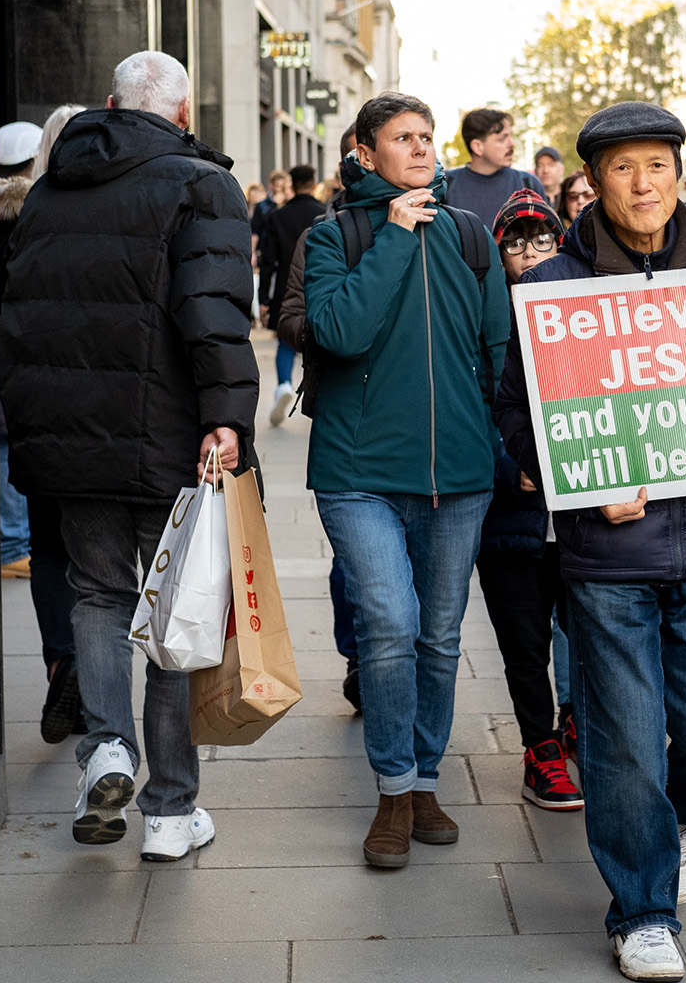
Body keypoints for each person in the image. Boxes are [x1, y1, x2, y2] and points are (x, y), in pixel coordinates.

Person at [495, 102, 686, 982]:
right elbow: (518, 415)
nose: (642, 184)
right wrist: (581, 484)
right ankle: (641, 911)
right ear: (593, 182)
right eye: (621, 168)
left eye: (656, 165)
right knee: (625, 744)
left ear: (679, 173)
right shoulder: (551, 290)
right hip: (606, 563)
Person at [0, 50, 257, 862]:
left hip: (71, 441)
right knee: (173, 618)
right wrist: (226, 417)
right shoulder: (198, 183)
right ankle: (171, 811)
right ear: (182, 113)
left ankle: (106, 749)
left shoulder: (50, 189)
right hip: (165, 437)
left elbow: (26, 315)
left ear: (111, 104)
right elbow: (213, 312)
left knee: (99, 600)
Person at [303, 91, 510, 869]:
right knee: (388, 624)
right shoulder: (338, 236)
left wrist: (502, 445)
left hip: (458, 476)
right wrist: (392, 236)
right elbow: (339, 331)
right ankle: (392, 790)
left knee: (438, 635)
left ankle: (425, 778)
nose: (422, 149)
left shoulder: (468, 234)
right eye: (402, 138)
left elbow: (498, 348)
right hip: (357, 474)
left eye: (427, 137)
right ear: (364, 153)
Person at [477, 189, 582, 811]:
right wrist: (508, 463)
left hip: (579, 517)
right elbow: (463, 414)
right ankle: (540, 749)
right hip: (510, 521)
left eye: (542, 239)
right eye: (514, 242)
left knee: (587, 634)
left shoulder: (582, 309)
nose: (530, 253)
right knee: (523, 642)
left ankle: (576, 727)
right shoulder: (481, 321)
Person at [0, 104, 90, 744]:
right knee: (108, 561)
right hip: (113, 415)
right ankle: (95, 671)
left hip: (34, 407)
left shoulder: (10, 222)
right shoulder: (120, 212)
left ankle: (64, 660)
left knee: (50, 545)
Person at [276, 124, 363, 712]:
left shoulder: (447, 226)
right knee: (354, 559)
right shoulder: (322, 235)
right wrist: (326, 335)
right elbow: (290, 314)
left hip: (426, 426)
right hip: (346, 418)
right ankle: (360, 654)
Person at [0, 120, 42, 581]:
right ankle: (12, 544)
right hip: (16, 347)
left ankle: (13, 539)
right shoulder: (33, 215)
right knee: (9, 443)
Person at [258, 163, 325, 426]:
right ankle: (317, 391)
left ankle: (285, 383)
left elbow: (267, 262)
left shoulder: (279, 216)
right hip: (321, 286)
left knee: (285, 341)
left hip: (287, 287)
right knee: (320, 342)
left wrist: (263, 299)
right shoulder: (326, 213)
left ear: (292, 186)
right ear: (313, 183)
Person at [444, 107, 544, 231]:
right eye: (502, 139)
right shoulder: (445, 185)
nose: (511, 143)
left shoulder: (529, 184)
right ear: (477, 147)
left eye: (510, 136)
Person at [533, 145, 565, 209]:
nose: (545, 171)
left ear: (561, 169)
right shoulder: (530, 201)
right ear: (535, 170)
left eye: (551, 165)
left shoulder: (571, 197)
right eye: (540, 166)